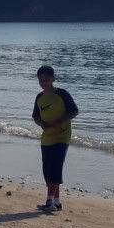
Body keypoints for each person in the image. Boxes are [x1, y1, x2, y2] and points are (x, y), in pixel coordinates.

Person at [31, 65, 79, 213]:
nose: (44, 82)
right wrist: (42, 124)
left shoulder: (62, 94)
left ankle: (49, 201)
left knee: (55, 168)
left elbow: (74, 111)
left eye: (46, 79)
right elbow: (35, 116)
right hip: (47, 137)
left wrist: (60, 121)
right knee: (47, 169)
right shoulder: (39, 97)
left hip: (62, 136)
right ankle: (57, 202)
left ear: (53, 79)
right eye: (41, 80)